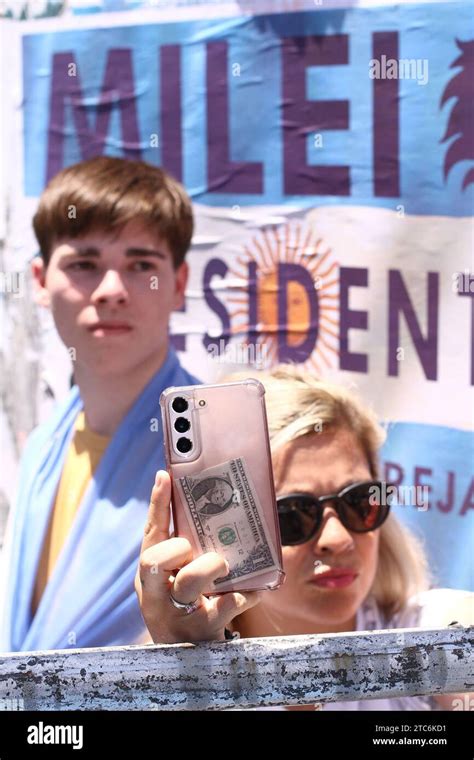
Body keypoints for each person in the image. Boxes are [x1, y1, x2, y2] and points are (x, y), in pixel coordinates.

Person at [136, 365, 473, 710]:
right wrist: (185, 674)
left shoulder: (429, 631)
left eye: (358, 501)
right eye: (292, 515)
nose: (338, 539)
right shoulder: (143, 681)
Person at [0, 156, 200, 652]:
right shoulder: (47, 440)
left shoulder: (214, 446)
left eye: (140, 266)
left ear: (178, 283)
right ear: (41, 282)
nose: (111, 291)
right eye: (85, 265)